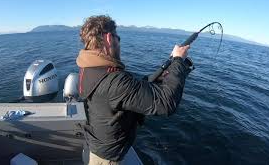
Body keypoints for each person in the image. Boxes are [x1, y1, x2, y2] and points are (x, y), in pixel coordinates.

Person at [76, 15, 191, 164]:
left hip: (98, 145)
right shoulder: (115, 81)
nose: (119, 43)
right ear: (109, 38)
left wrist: (166, 72)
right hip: (109, 158)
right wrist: (177, 60)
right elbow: (166, 103)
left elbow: (127, 91)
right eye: (119, 38)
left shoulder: (89, 69)